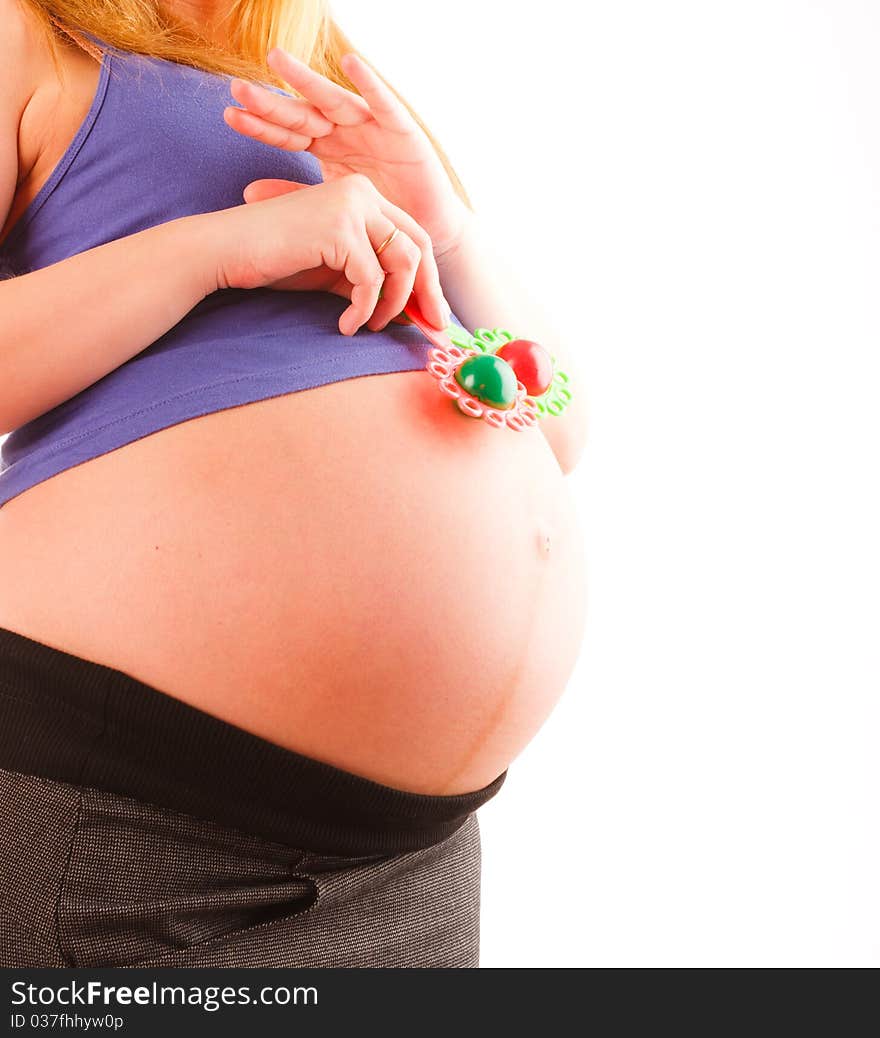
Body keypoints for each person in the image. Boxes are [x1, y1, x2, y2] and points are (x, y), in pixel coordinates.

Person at [0, 0, 588, 968]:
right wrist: (218, 253)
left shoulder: (326, 67)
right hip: (133, 823)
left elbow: (561, 426)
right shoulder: (34, 33)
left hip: (409, 860)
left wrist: (447, 231)